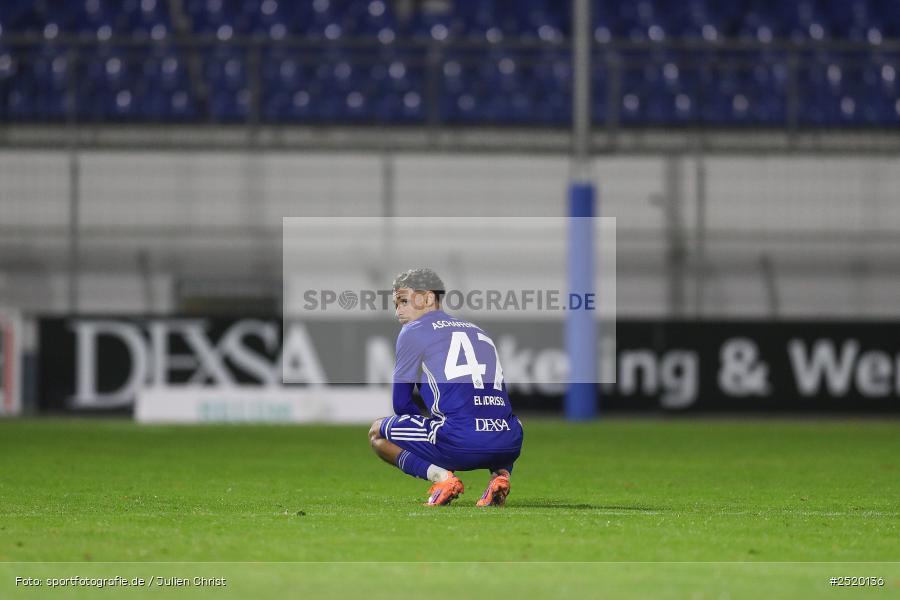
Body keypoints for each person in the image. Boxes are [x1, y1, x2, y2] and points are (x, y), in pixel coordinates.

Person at [368, 268, 524, 506]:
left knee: (377, 433)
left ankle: (442, 479)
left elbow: (401, 404)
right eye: (395, 303)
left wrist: (430, 437)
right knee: (509, 421)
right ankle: (501, 477)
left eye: (403, 301)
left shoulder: (413, 331)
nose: (398, 310)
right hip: (508, 442)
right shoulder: (478, 330)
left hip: (459, 442)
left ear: (429, 298)